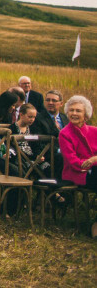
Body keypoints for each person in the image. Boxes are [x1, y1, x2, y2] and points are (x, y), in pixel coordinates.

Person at [58, 95, 97, 237]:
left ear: (85, 114)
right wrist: (90, 163)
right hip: (77, 173)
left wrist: (94, 159)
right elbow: (72, 161)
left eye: (78, 111)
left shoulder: (94, 131)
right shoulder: (65, 133)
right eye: (71, 110)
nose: (74, 113)